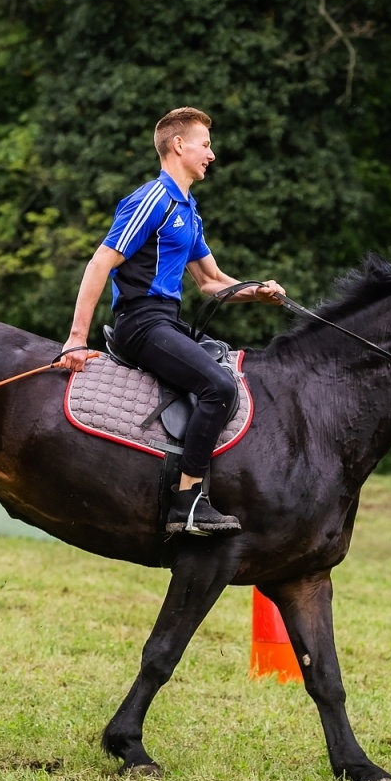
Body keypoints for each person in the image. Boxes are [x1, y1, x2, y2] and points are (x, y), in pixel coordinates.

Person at [60, 107, 283, 535]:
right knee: (216, 387)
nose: (211, 155)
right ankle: (187, 503)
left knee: (226, 372)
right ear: (179, 145)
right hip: (140, 322)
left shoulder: (188, 210)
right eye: (205, 144)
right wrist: (74, 338)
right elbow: (100, 262)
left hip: (167, 320)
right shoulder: (152, 200)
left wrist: (257, 291)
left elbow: (211, 280)